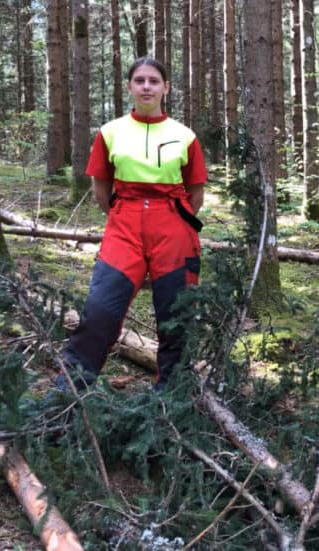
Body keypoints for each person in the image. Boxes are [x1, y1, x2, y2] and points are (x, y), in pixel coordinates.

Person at [58, 57, 207, 392]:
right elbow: (101, 188)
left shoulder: (185, 136)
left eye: (154, 81)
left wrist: (170, 219)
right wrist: (125, 214)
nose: (146, 87)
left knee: (177, 316)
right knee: (99, 312)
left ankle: (171, 400)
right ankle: (67, 401)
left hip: (174, 228)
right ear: (129, 87)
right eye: (139, 80)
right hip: (124, 225)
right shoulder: (110, 132)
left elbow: (195, 194)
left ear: (166, 88)